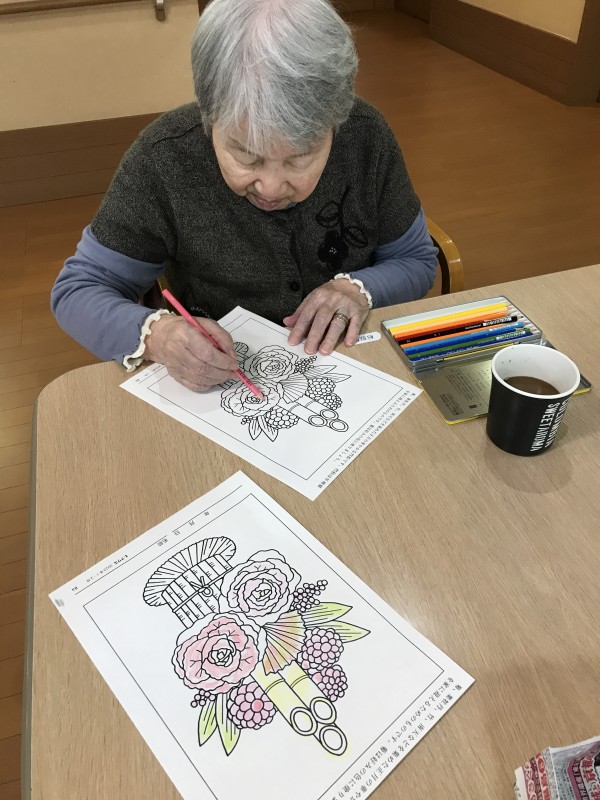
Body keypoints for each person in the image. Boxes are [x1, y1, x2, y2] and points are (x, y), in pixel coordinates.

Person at [51, 0, 438, 392]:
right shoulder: (163, 159)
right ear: (210, 117)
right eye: (246, 156)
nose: (271, 187)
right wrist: (159, 336)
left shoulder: (366, 137)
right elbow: (78, 290)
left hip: (354, 372)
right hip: (221, 385)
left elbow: (416, 259)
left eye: (300, 158)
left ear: (336, 123)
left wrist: (358, 290)